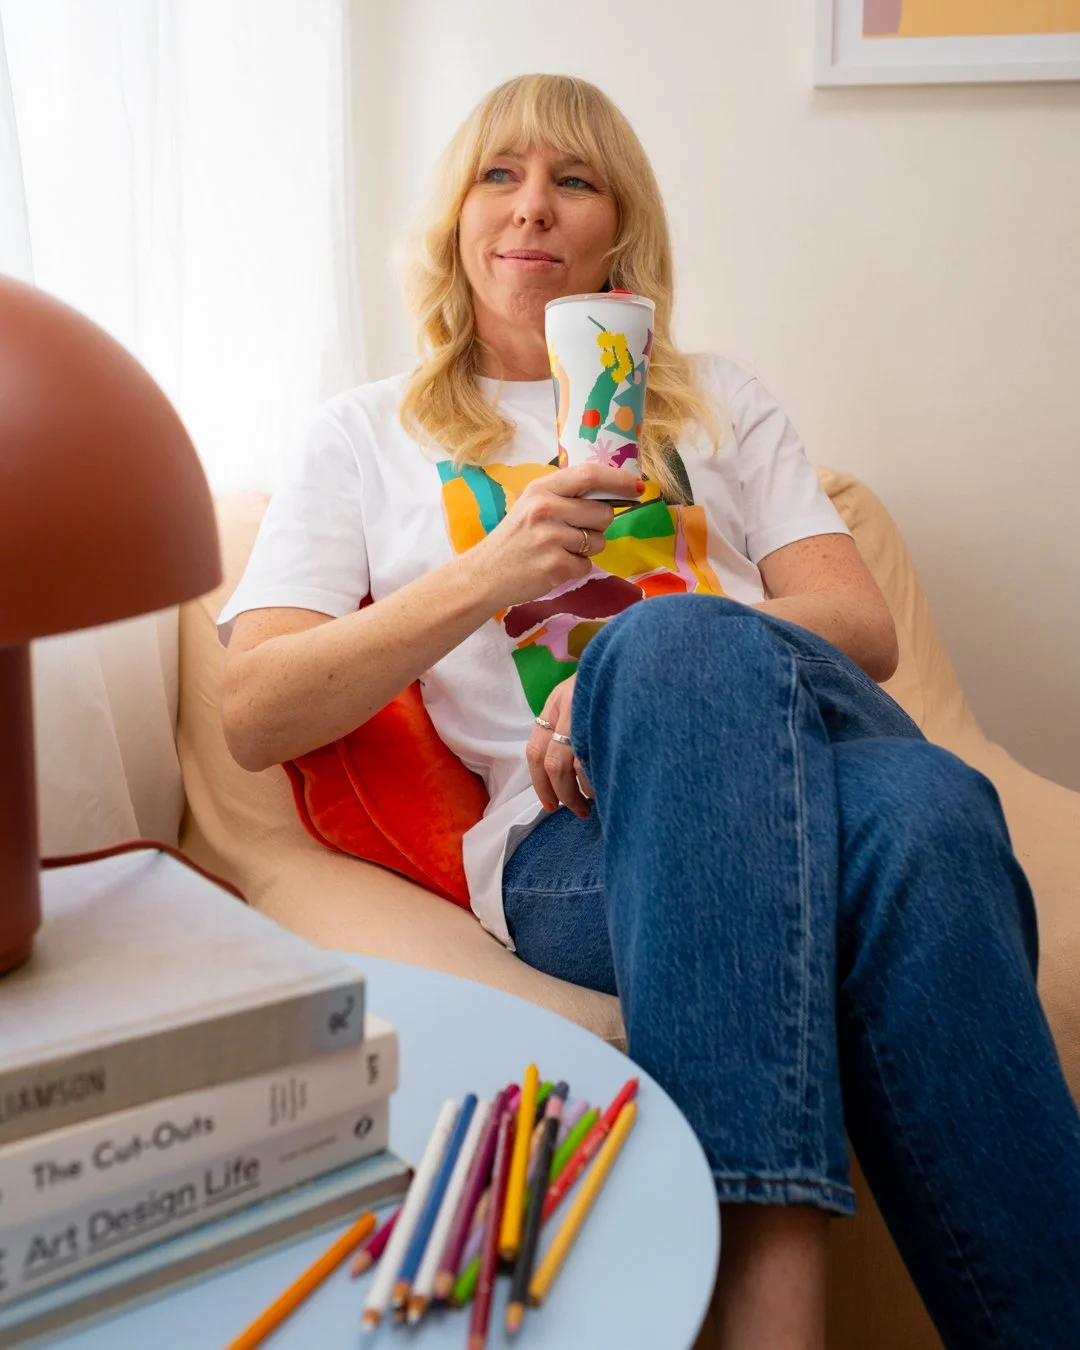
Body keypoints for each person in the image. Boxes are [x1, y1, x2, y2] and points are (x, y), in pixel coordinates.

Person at [218, 74, 1080, 1349]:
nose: (534, 209)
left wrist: (641, 666)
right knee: (934, 815)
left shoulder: (720, 399)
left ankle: (760, 1311)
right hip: (576, 845)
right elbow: (255, 710)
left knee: (700, 657)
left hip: (804, 772)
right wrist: (495, 571)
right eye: (499, 177)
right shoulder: (368, 432)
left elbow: (859, 628)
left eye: (574, 181)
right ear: (456, 221)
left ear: (619, 229)